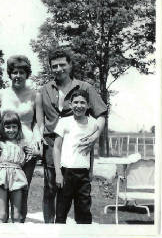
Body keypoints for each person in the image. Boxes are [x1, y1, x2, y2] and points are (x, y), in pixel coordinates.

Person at [36, 48, 107, 223]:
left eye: (62, 64)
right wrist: (39, 135)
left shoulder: (85, 87)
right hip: (53, 145)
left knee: (77, 194)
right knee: (51, 189)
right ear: (50, 68)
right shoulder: (44, 90)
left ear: (70, 65)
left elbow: (101, 115)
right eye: (54, 66)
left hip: (77, 147)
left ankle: (77, 229)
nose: (59, 69)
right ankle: (50, 228)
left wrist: (94, 136)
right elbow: (40, 120)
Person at [0, 55, 42, 222]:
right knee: (3, 192)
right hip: (6, 149)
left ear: (27, 74)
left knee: (22, 194)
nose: (18, 75)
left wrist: (37, 140)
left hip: (27, 150)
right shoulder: (0, 94)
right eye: (14, 72)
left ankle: (19, 226)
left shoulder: (35, 95)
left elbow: (38, 123)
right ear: (10, 74)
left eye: (21, 72)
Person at [53, 90, 98, 224]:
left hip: (83, 174)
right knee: (61, 212)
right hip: (66, 172)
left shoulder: (93, 124)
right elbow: (56, 147)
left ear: (88, 105)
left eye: (83, 102)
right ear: (70, 105)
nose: (79, 105)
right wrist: (57, 173)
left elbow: (91, 150)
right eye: (76, 102)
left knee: (84, 212)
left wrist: (90, 171)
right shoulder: (64, 122)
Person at [0, 111, 28, 223]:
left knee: (17, 215)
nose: (11, 130)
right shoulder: (0, 144)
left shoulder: (22, 144)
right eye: (8, 127)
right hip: (1, 177)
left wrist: (35, 151)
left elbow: (35, 154)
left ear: (18, 127)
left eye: (14, 127)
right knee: (1, 214)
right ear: (3, 128)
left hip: (17, 177)